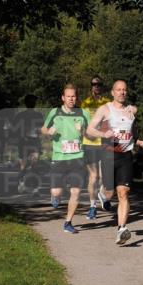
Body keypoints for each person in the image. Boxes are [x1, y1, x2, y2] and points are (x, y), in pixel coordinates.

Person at [86, 79, 143, 245]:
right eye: (118, 90)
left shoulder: (131, 111)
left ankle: (121, 229)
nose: (122, 92)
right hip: (108, 155)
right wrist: (102, 134)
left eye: (124, 90)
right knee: (109, 192)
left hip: (126, 155)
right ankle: (101, 193)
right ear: (112, 92)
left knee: (124, 192)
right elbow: (89, 129)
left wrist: (138, 140)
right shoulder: (105, 109)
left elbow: (131, 131)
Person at [42, 84, 88, 234]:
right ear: (63, 98)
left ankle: (68, 222)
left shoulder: (82, 113)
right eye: (68, 96)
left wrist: (84, 132)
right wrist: (49, 132)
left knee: (76, 192)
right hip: (59, 158)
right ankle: (54, 196)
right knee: (56, 192)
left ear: (76, 97)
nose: (71, 99)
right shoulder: (55, 112)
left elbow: (91, 133)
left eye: (73, 96)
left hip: (77, 157)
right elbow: (43, 129)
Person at [81, 75, 111, 219]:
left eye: (98, 84)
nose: (96, 87)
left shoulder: (108, 103)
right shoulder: (85, 103)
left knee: (106, 177)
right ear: (91, 86)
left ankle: (101, 194)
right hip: (90, 144)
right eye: (93, 84)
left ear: (102, 86)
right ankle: (92, 207)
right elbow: (82, 124)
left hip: (105, 143)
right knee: (94, 176)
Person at [17, 95, 44, 193]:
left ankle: (34, 187)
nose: (33, 103)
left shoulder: (39, 115)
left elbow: (42, 129)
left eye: (34, 101)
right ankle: (21, 182)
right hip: (23, 142)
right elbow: (15, 130)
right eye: (31, 101)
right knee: (23, 166)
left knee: (34, 164)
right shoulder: (20, 115)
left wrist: (40, 134)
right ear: (26, 103)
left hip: (35, 142)